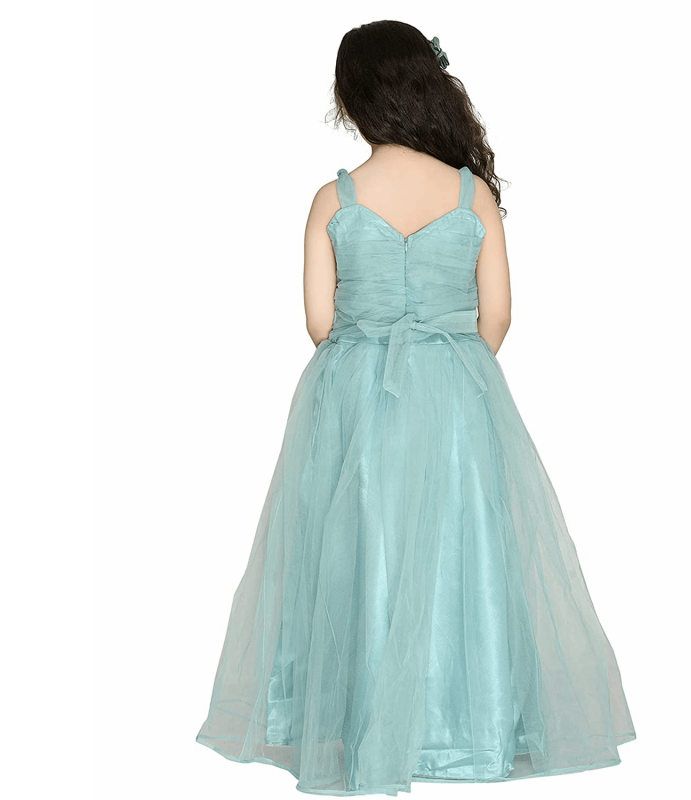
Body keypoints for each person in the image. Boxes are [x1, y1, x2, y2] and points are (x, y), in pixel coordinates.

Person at [196, 20, 636, 797]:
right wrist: (445, 364)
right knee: (463, 554)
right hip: (459, 395)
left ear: (352, 99)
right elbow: (498, 316)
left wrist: (376, 354)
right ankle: (463, 731)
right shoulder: (472, 194)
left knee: (360, 552)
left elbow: (320, 323)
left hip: (355, 400)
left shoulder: (333, 199)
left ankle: (366, 729)